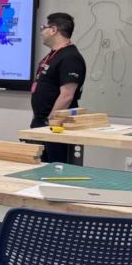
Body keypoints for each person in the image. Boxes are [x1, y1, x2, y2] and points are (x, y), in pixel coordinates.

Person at [30, 12, 86, 164]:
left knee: (56, 171)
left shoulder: (70, 57)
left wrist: (50, 121)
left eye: (44, 27)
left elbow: (67, 95)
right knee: (37, 169)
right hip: (42, 123)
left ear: (53, 30)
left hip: (56, 126)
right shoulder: (54, 55)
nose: (42, 31)